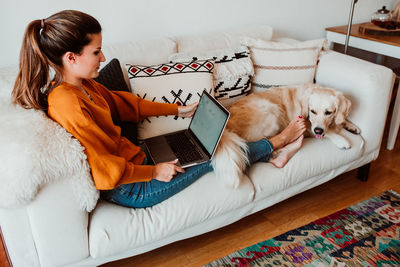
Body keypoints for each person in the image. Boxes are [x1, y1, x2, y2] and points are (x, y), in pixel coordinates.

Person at [12, 10, 306, 208]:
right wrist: (154, 172)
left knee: (203, 142)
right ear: (71, 57)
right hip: (131, 186)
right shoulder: (66, 102)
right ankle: (276, 143)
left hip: (136, 157)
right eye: (96, 51)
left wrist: (178, 111)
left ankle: (265, 152)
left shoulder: (82, 85)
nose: (103, 57)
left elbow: (125, 105)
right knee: (217, 152)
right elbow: (104, 172)